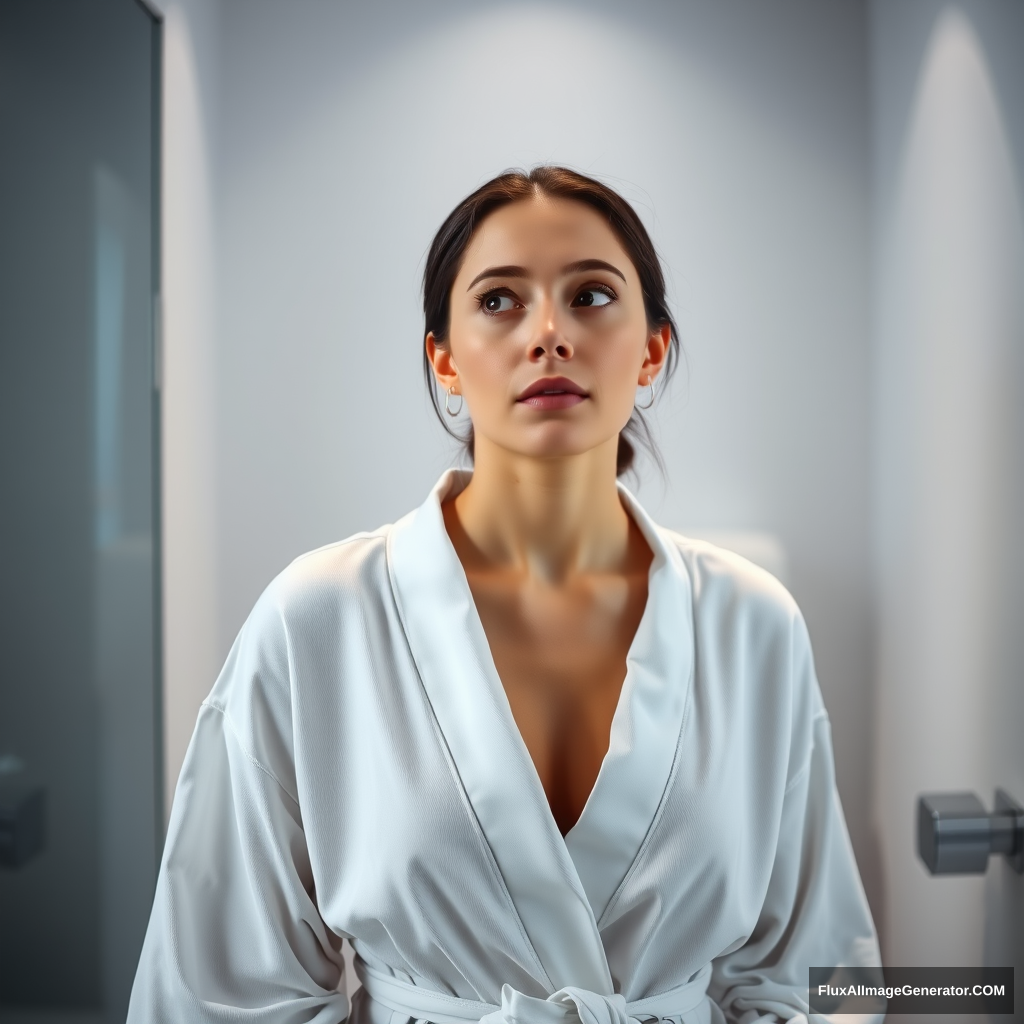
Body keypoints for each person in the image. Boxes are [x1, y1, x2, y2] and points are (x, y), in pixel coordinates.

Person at [129, 167, 881, 1023]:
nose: (550, 333)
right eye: (498, 301)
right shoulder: (317, 619)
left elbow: (819, 973)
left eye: (592, 294)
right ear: (443, 358)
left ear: (651, 349)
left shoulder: (756, 624)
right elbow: (216, 989)